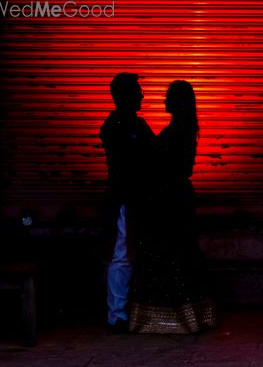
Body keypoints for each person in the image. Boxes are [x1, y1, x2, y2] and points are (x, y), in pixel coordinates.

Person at [129, 80, 217, 334]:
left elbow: (168, 165)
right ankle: (191, 316)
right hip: (175, 199)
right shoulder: (185, 127)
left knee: (169, 255)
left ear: (178, 101)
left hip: (169, 201)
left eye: (168, 97)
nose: (164, 101)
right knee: (180, 254)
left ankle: (173, 319)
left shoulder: (178, 130)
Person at [100, 72, 154, 333]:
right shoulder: (117, 127)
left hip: (136, 200)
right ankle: (117, 315)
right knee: (121, 255)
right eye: (137, 91)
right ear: (123, 96)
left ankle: (126, 311)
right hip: (125, 201)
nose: (142, 96)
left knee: (128, 255)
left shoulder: (134, 125)